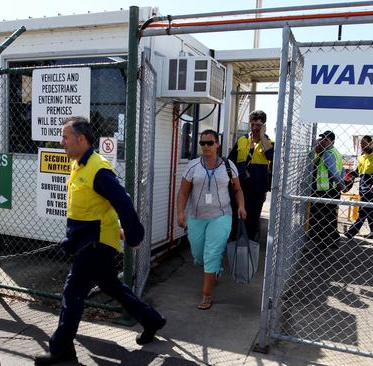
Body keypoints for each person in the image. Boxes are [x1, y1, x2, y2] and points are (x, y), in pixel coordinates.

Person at [35, 117, 166, 365]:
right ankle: (152, 320)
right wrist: (114, 228)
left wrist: (133, 235)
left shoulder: (98, 168)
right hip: (89, 240)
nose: (61, 142)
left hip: (95, 244)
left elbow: (123, 201)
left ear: (81, 139)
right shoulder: (78, 165)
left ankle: (61, 347)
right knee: (111, 286)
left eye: (65, 137)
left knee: (73, 291)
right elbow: (97, 207)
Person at [177, 130, 247, 310]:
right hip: (196, 217)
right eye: (202, 143)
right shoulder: (193, 166)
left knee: (211, 254)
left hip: (221, 216)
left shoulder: (228, 166)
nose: (206, 147)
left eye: (209, 143)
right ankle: (215, 269)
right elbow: (183, 192)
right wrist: (180, 213)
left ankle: (207, 295)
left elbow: (238, 189)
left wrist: (241, 206)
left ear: (217, 144)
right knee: (199, 256)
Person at [227, 110, 274, 241]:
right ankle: (235, 244)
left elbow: (270, 156)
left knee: (252, 220)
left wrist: (262, 135)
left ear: (263, 125)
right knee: (236, 218)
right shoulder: (242, 140)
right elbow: (231, 162)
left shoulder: (269, 142)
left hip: (257, 190)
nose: (254, 128)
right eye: (252, 124)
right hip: (239, 188)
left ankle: (250, 244)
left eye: (258, 125)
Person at [344, 135, 373, 240]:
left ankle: (351, 232)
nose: (363, 146)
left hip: (372, 187)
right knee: (369, 209)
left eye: (364, 143)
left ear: (370, 143)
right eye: (361, 144)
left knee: (363, 209)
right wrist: (349, 174)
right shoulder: (362, 156)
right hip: (363, 186)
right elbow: (359, 172)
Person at [308, 130, 345, 249]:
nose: (323, 141)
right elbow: (342, 170)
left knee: (323, 217)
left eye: (326, 139)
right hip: (329, 190)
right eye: (322, 139)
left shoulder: (328, 153)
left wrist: (342, 185)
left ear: (332, 141)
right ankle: (331, 239)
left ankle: (323, 244)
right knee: (328, 216)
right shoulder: (334, 152)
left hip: (326, 190)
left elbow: (333, 172)